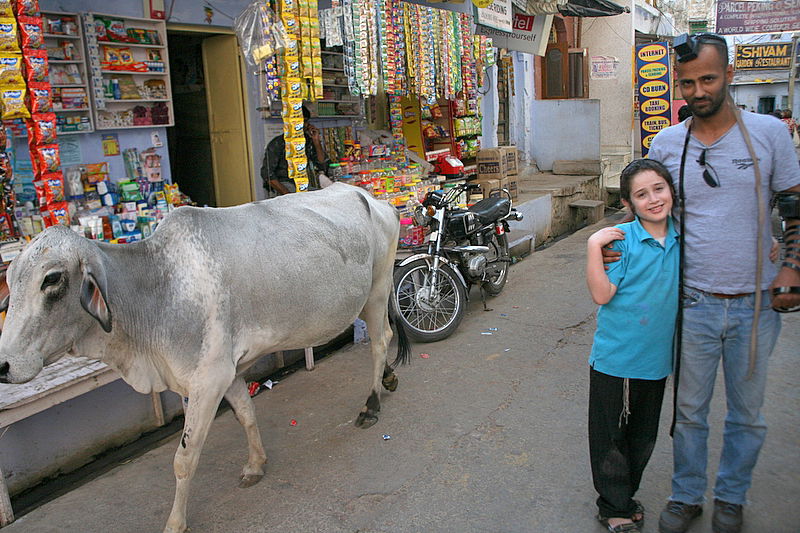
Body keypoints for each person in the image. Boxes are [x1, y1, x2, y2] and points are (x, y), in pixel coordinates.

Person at [605, 33, 800, 533]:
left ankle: (731, 497)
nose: (698, 91)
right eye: (687, 82)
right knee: (689, 412)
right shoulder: (667, 143)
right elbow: (648, 214)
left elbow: (796, 208)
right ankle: (687, 494)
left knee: (748, 414)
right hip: (690, 302)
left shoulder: (769, 134)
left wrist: (792, 264)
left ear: (729, 75)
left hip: (756, 304)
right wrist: (613, 246)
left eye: (708, 78)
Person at [586, 159, 679, 533]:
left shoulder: (681, 238)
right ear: (628, 203)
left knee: (642, 438)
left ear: (671, 189)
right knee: (611, 439)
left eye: (659, 188)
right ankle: (612, 507)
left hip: (656, 364)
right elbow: (601, 293)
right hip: (615, 361)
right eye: (642, 194)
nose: (653, 199)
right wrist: (594, 243)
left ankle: (624, 496)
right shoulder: (622, 242)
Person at [260, 105, 329, 196]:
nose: (303, 125)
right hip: (282, 186)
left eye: (305, 121)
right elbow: (267, 174)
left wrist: (316, 141)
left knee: (322, 197)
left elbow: (321, 164)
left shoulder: (306, 141)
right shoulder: (278, 143)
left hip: (301, 184)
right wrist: (287, 194)